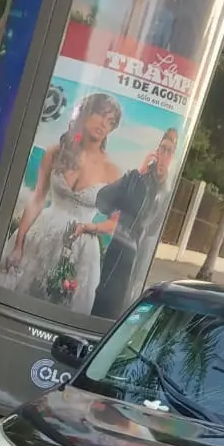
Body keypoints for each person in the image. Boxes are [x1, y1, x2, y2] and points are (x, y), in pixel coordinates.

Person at [0, 92, 122, 311]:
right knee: (21, 299)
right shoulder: (56, 152)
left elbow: (115, 223)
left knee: (63, 307)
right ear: (86, 113)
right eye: (100, 114)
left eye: (111, 121)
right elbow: (38, 198)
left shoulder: (111, 171)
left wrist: (89, 227)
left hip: (81, 249)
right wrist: (19, 243)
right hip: (42, 235)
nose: (104, 123)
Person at [83, 127, 177, 319]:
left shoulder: (166, 194)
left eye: (170, 151)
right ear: (156, 151)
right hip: (117, 261)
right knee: (102, 313)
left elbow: (152, 230)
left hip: (137, 267)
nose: (164, 155)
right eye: (163, 149)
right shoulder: (136, 178)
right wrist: (137, 175)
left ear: (173, 157)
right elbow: (102, 201)